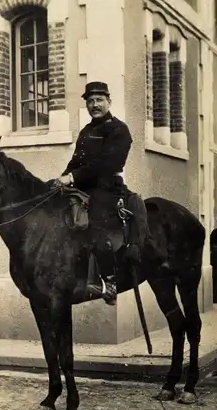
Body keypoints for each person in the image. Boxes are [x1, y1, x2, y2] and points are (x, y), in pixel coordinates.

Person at [54, 81, 169, 305]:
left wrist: (73, 178)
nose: (94, 105)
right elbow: (77, 161)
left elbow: (106, 162)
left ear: (109, 101)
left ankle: (109, 282)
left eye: (99, 100)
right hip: (83, 187)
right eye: (90, 101)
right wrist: (62, 179)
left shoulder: (119, 130)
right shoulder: (87, 131)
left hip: (108, 188)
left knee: (95, 224)